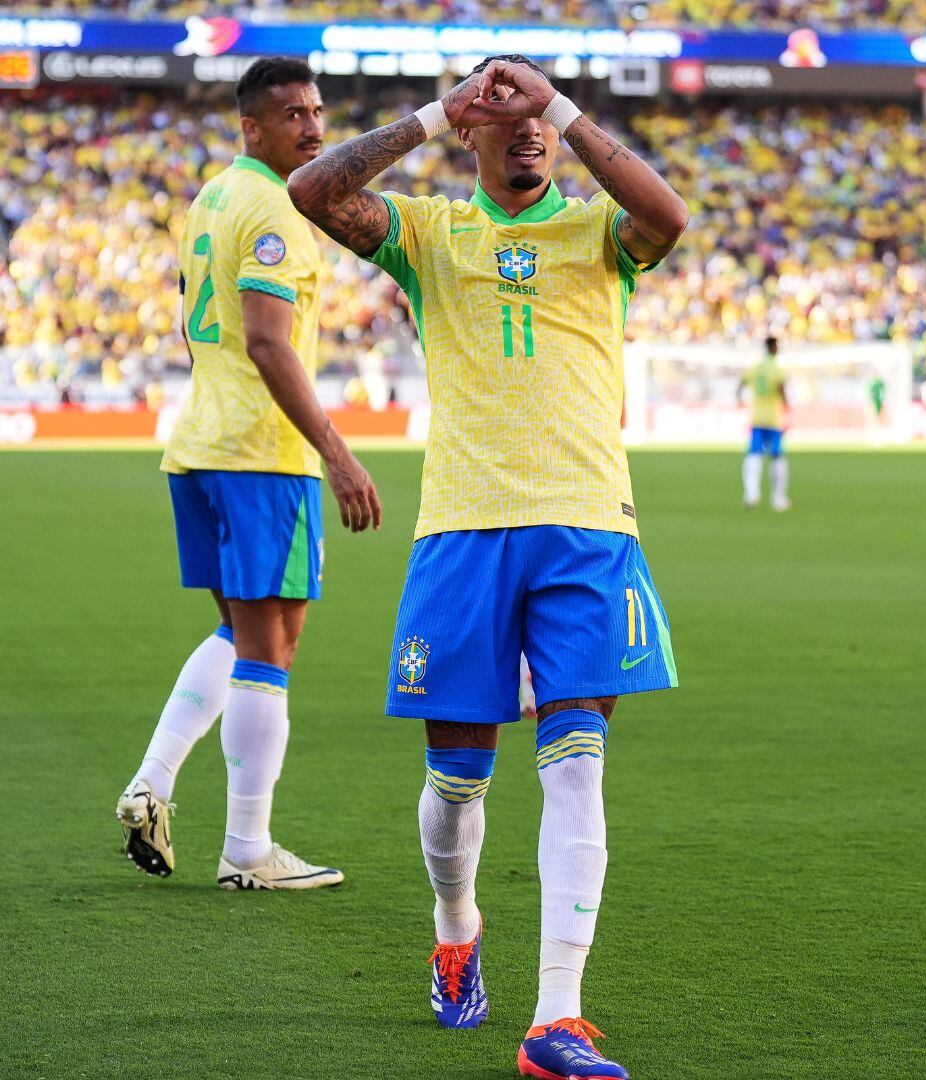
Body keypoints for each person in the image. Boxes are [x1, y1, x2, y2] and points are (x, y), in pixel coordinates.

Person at [289, 54, 688, 1079]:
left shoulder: (600, 232)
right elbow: (312, 193)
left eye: (539, 119)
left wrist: (560, 102)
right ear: (471, 132)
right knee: (458, 776)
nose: (527, 130)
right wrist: (434, 113)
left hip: (587, 525)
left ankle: (557, 1017)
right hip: (463, 529)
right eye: (503, 118)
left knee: (580, 760)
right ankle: (456, 929)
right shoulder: (430, 231)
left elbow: (669, 215)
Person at [118, 57, 380, 890]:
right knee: (274, 644)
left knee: (239, 632)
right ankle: (248, 849)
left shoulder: (214, 197)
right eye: (292, 114)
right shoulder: (273, 206)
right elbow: (267, 339)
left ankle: (152, 783)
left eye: (315, 110)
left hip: (199, 445)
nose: (311, 126)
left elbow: (194, 320)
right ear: (251, 127)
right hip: (262, 456)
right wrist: (337, 455)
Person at [741, 335, 791, 511]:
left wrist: (739, 398)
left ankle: (751, 494)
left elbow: (741, 384)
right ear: (774, 348)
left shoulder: (755, 368)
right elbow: (782, 389)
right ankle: (778, 499)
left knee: (754, 454)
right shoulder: (776, 369)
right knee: (777, 457)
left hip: (756, 418)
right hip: (773, 418)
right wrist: (787, 408)